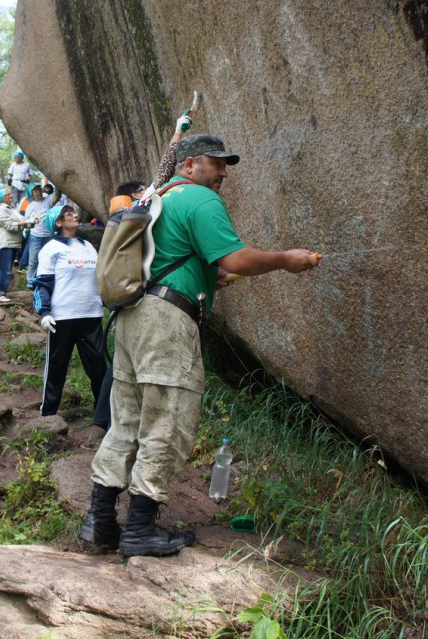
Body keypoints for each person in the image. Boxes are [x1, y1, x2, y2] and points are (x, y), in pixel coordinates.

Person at [81, 132, 319, 557]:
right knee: (167, 419)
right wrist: (286, 259)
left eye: (226, 165)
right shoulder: (200, 199)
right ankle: (139, 529)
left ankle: (99, 522)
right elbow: (236, 258)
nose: (224, 172)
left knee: (128, 420)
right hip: (167, 323)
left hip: (134, 316)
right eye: (217, 163)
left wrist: (210, 279)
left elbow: (182, 260)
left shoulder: (158, 198)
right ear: (189, 165)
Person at [33, 205, 107, 418]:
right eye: (68, 214)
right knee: (57, 367)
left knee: (98, 367)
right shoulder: (51, 248)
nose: (75, 215)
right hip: (62, 317)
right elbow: (42, 284)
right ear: (58, 223)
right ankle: (47, 415)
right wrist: (44, 312)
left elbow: (100, 279)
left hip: (91, 314)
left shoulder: (88, 246)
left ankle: (103, 416)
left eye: (74, 212)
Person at [91, 179, 150, 431]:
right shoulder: (132, 219)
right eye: (142, 191)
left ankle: (106, 418)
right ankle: (106, 418)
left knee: (120, 362)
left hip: (123, 298)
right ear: (132, 196)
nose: (147, 193)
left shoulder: (120, 222)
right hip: (132, 300)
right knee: (121, 364)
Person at [0, 188, 29, 302]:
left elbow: (22, 221)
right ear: (2, 198)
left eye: (10, 194)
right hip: (5, 243)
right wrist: (23, 223)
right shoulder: (1, 210)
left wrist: (30, 221)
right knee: (5, 270)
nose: (11, 196)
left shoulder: (12, 209)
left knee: (5, 269)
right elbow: (9, 225)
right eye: (8, 194)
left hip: (13, 243)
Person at [23, 180, 61, 288]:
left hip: (49, 235)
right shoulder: (30, 207)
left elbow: (57, 196)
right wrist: (30, 226)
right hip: (36, 236)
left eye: (39, 189)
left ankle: (47, 280)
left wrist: (58, 181)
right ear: (32, 194)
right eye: (35, 191)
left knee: (49, 258)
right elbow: (26, 223)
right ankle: (30, 282)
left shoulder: (48, 200)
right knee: (33, 260)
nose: (38, 192)